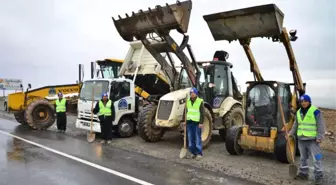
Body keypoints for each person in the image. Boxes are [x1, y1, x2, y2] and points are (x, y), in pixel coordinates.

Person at [288, 94, 325, 185]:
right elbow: (296, 125)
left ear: (309, 101)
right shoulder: (298, 112)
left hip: (313, 140)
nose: (303, 103)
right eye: (302, 102)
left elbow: (321, 125)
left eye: (305, 101)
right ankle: (303, 173)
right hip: (301, 139)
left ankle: (318, 176)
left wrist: (319, 137)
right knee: (303, 158)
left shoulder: (316, 111)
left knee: (317, 158)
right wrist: (290, 133)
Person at [183, 87, 204, 160]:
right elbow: (186, 112)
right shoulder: (187, 101)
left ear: (196, 94)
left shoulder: (200, 101)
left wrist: (201, 122)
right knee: (190, 138)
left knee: (197, 138)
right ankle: (193, 152)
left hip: (197, 123)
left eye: (193, 93)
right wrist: (185, 121)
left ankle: (199, 153)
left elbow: (202, 113)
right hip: (189, 123)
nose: (192, 94)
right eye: (191, 93)